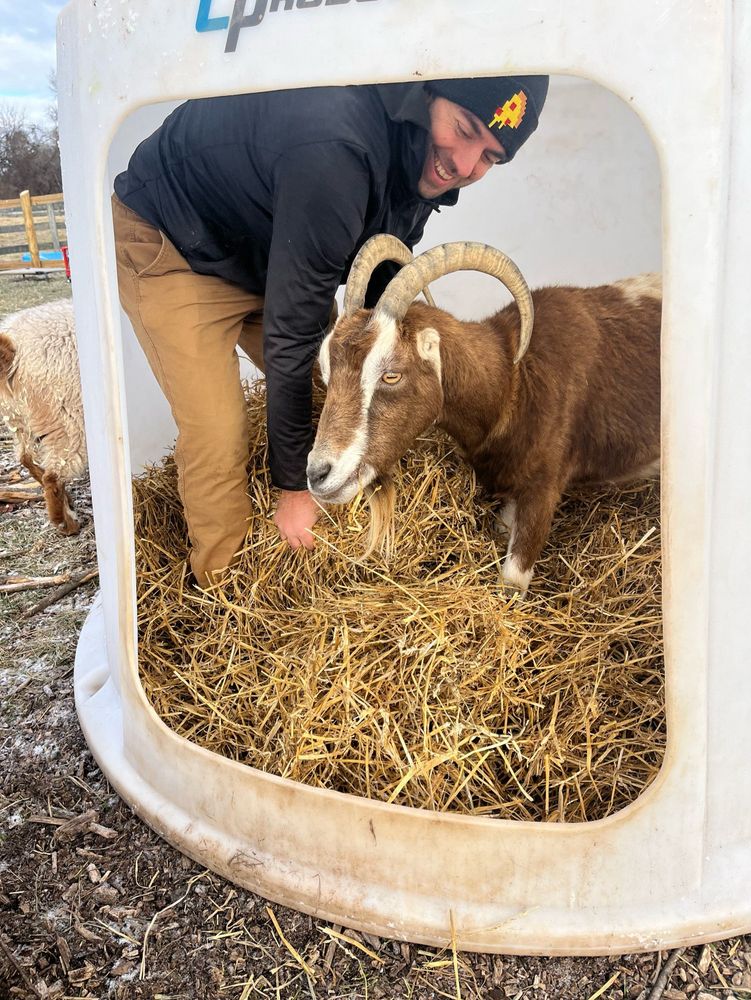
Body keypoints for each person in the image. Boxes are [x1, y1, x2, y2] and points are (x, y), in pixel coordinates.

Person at [112, 75, 549, 586]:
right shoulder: (339, 148)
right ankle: (224, 586)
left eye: (491, 157)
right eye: (466, 127)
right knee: (218, 432)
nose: (466, 164)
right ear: (429, 94)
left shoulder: (423, 158)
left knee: (333, 387)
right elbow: (291, 333)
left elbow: (377, 294)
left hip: (271, 245)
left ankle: (332, 521)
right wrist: (295, 489)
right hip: (175, 245)